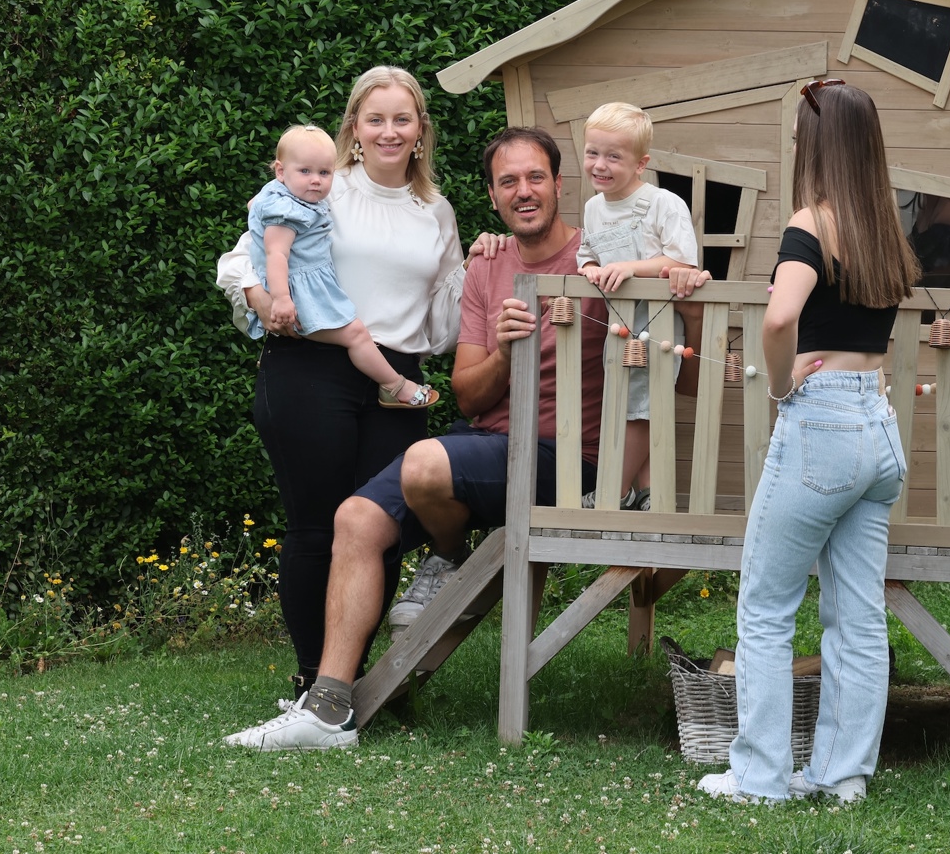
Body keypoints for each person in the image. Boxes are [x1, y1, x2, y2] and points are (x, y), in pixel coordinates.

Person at [222, 125, 713, 751]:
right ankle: (327, 706)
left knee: (425, 462)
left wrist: (686, 298)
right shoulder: (487, 266)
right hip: (489, 447)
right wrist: (509, 353)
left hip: (574, 464)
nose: (524, 191)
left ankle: (445, 555)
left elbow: (686, 377)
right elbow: (469, 397)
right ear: (492, 195)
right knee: (355, 518)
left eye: (536, 177)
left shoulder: (604, 261)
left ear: (559, 184)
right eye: (508, 181)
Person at [696, 79, 920, 805]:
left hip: (820, 424)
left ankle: (759, 778)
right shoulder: (886, 224)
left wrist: (781, 381)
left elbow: (777, 315)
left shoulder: (810, 223)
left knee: (765, 607)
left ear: (814, 144)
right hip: (877, 430)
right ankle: (842, 774)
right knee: (855, 618)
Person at [216, 66, 465, 699]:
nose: (388, 131)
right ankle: (314, 682)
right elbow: (245, 253)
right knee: (317, 528)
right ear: (353, 125)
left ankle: (349, 677)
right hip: (311, 367)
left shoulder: (435, 211)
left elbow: (446, 314)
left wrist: (490, 261)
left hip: (395, 379)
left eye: (401, 119)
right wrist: (264, 299)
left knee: (379, 531)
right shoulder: (322, 186)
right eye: (374, 118)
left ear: (420, 131)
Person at [248, 123, 438, 408]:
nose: (316, 181)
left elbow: (254, 207)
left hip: (305, 293)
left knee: (354, 335)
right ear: (280, 171)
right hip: (299, 299)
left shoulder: (279, 196)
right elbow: (276, 255)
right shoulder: (286, 211)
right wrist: (282, 299)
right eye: (305, 172)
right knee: (356, 335)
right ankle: (395, 386)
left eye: (324, 173)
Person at [576, 102, 698, 510]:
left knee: (643, 410)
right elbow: (586, 255)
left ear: (641, 163)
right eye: (593, 152)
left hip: (659, 325)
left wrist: (631, 267)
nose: (600, 164)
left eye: (614, 156)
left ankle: (616, 487)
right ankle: (646, 492)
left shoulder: (664, 204)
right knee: (627, 406)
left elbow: (682, 261)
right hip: (618, 328)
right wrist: (592, 268)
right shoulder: (594, 208)